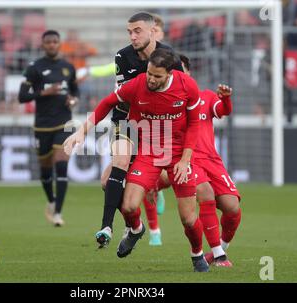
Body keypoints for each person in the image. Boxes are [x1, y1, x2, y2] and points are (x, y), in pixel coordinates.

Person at [64, 48, 209, 272]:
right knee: (130, 206)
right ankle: (135, 228)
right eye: (150, 73)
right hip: (148, 152)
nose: (151, 79)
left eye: (157, 76)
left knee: (189, 219)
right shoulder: (138, 84)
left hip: (178, 153)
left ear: (170, 74)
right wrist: (82, 131)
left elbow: (194, 124)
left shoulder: (187, 86)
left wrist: (185, 159)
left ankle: (197, 254)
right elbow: (106, 103)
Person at [95, 12, 184, 248]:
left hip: (156, 127)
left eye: (137, 31)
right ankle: (111, 226)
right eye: (129, 32)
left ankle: (138, 222)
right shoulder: (123, 57)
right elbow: (123, 98)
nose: (132, 36)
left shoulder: (170, 58)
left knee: (109, 181)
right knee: (114, 171)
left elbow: (180, 94)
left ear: (152, 30)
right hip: (126, 119)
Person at [156, 54, 241, 267]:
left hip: (212, 159)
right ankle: (219, 254)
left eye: (181, 69)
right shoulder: (167, 101)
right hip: (188, 159)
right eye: (174, 70)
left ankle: (219, 249)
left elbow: (223, 111)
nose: (178, 74)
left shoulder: (205, 96)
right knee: (205, 193)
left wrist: (226, 98)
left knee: (232, 207)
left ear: (188, 72)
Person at [18, 30, 79, 227]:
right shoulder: (34, 68)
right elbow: (22, 96)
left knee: (61, 163)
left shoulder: (68, 68)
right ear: (43, 45)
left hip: (64, 122)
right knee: (45, 171)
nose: (52, 45)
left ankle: (58, 213)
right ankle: (51, 201)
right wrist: (45, 92)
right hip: (43, 126)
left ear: (59, 44)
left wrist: (73, 100)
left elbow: (75, 91)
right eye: (48, 42)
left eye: (55, 41)